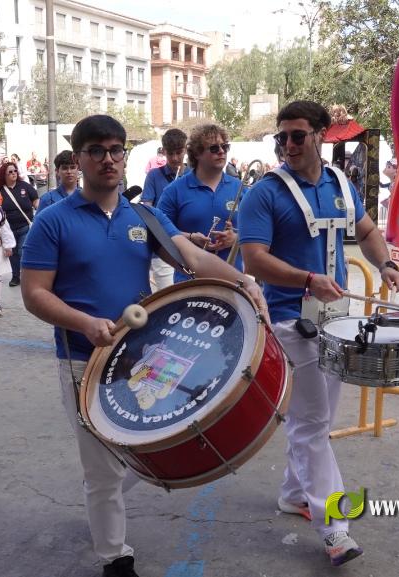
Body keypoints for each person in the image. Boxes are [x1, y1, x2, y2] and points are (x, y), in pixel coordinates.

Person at [20, 114, 267, 577]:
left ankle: (104, 501)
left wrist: (246, 283)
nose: (109, 159)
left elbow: (191, 258)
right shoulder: (52, 222)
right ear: (79, 159)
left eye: (116, 150)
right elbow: (35, 294)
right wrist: (85, 323)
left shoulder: (142, 216)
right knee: (101, 467)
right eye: (97, 151)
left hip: (141, 356)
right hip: (83, 361)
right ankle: (114, 556)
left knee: (139, 452)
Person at [238, 100, 399, 567]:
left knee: (316, 421)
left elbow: (368, 230)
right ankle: (334, 527)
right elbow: (254, 259)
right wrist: (308, 280)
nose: (287, 145)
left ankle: (294, 494)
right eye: (281, 137)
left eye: (297, 136)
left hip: (335, 320)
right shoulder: (264, 193)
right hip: (291, 320)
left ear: (320, 136)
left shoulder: (340, 184)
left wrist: (386, 263)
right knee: (312, 423)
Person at [156, 123, 243, 283]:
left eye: (225, 146)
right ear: (197, 153)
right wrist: (189, 238)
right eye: (214, 148)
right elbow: (158, 233)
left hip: (233, 283)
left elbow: (258, 235)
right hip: (189, 283)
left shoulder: (240, 188)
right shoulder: (174, 190)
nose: (222, 151)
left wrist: (236, 238)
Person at [141, 129, 188, 291]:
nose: (175, 158)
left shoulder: (193, 174)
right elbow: (146, 209)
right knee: (169, 297)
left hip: (191, 248)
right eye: (170, 154)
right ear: (164, 152)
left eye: (179, 153)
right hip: (164, 248)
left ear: (186, 150)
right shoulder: (154, 176)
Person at [0, 160, 38, 287]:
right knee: (12, 254)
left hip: (25, 227)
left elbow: (36, 201)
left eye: (15, 171)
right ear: (4, 175)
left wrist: (40, 210)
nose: (14, 173)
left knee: (22, 251)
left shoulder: (25, 186)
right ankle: (15, 276)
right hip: (9, 229)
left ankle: (26, 276)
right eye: (10, 172)